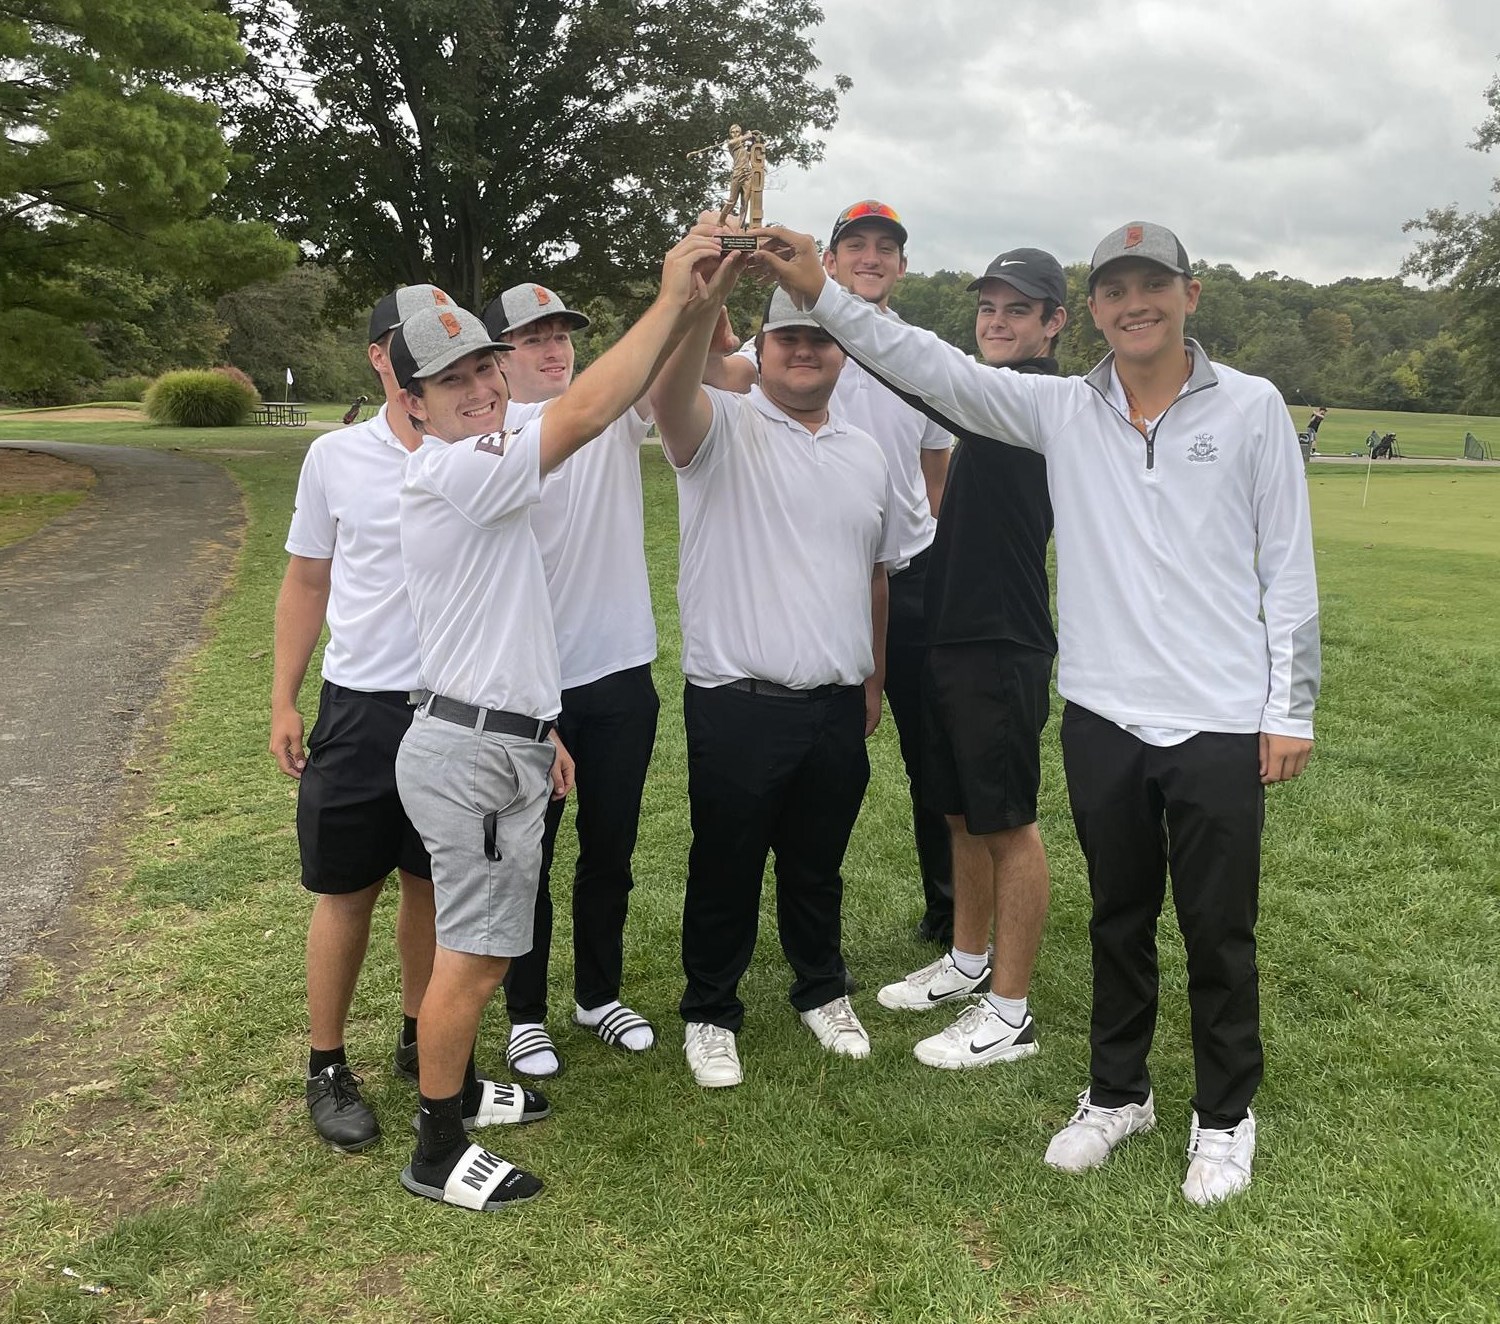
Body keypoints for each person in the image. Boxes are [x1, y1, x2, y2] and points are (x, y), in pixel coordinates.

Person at [755, 219, 1319, 1205]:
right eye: (1116, 289)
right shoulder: (1064, 410)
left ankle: (1225, 1115)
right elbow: (924, 361)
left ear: (1190, 295)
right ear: (1094, 310)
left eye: (1154, 285)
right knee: (1118, 918)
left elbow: (1289, 564)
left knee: (1218, 929)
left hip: (1221, 715)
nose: (1134, 303)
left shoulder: (1255, 407)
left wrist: (1289, 705)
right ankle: (1117, 1093)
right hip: (1104, 711)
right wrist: (821, 293)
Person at [391, 234, 731, 1212]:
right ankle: (438, 1146)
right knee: (479, 953)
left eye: (480, 369)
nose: (476, 388)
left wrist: (546, 725)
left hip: (499, 731)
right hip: (472, 750)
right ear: (412, 400)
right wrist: (671, 295)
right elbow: (585, 410)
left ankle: (458, 1095)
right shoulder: (457, 470)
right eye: (448, 380)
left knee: (482, 941)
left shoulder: (478, 471)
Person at [650, 279, 898, 1089]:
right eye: (787, 337)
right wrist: (696, 310)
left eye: (820, 338)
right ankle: (711, 1011)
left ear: (843, 351)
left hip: (834, 701)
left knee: (817, 863)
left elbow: (874, 574)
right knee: (725, 861)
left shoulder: (867, 452)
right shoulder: (724, 424)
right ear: (762, 346)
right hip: (738, 702)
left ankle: (822, 987)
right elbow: (668, 394)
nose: (804, 350)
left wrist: (872, 679)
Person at [717, 200, 956, 944]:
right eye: (857, 246)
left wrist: (935, 558)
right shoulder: (801, 338)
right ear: (831, 257)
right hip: (814, 572)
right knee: (819, 760)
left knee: (933, 754)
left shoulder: (920, 353)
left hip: (908, 576)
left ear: (903, 265)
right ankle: (793, 926)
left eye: (887, 248)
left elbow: (936, 471)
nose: (872, 258)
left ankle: (948, 909)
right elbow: (724, 374)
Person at [871, 250, 1063, 1075]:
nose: (997, 321)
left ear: (1056, 323)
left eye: (1018, 310)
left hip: (1002, 641)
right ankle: (966, 958)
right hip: (951, 634)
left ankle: (1010, 1011)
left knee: (1007, 824)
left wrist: (847, 306)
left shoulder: (1040, 401)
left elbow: (921, 376)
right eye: (988, 306)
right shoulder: (995, 397)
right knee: (956, 812)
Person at [270, 283, 451, 1154]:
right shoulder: (336, 457)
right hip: (362, 708)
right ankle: (327, 1064)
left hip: (454, 711)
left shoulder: (481, 448)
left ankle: (421, 1039)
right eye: (409, 346)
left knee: (429, 884)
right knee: (348, 892)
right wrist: (283, 697)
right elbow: (308, 580)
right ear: (382, 356)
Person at [478, 282, 660, 1079]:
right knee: (530, 857)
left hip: (620, 669)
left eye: (562, 334)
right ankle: (525, 1013)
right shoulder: (492, 440)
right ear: (497, 358)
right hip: (531, 689)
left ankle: (597, 994)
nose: (554, 348)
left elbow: (693, 369)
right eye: (532, 338)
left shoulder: (614, 409)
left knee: (610, 849)